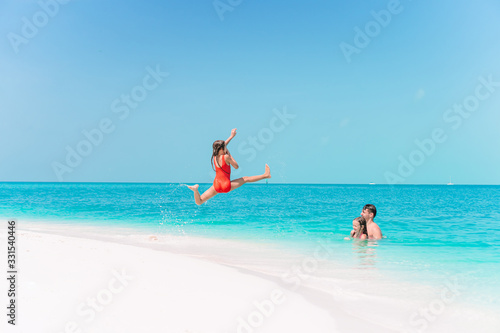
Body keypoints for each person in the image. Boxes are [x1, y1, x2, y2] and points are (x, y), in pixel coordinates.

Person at [187, 128, 271, 205]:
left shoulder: (215, 157)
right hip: (226, 185)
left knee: (200, 201)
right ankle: (265, 175)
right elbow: (236, 166)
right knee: (246, 179)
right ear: (222, 149)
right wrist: (229, 154)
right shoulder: (226, 157)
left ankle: (195, 190)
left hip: (216, 185)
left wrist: (231, 136)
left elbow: (222, 145)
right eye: (225, 148)